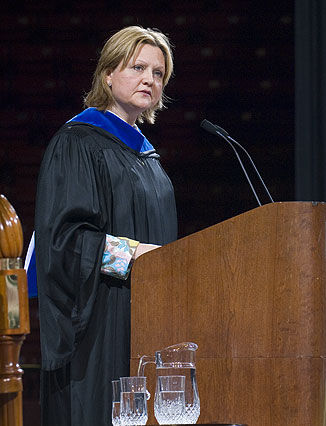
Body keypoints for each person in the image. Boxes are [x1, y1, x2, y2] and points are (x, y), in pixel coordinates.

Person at [34, 26, 177, 426]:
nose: (150, 79)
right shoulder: (77, 143)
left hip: (150, 318)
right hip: (100, 323)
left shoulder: (150, 161)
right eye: (138, 67)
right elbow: (64, 241)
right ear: (108, 74)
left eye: (159, 73)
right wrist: (135, 255)